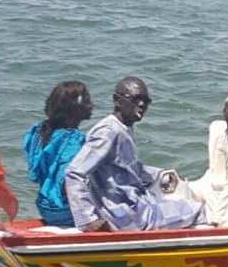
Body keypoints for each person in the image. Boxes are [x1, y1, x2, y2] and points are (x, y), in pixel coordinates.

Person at [65, 77, 206, 231]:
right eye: (135, 99)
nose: (142, 104)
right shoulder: (108, 132)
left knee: (174, 200)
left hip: (132, 206)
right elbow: (74, 173)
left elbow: (130, 169)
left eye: (146, 101)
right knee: (199, 210)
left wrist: (160, 174)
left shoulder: (123, 128)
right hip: (126, 216)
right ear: (117, 101)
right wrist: (88, 219)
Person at [178, 90, 228, 227]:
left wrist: (216, 217)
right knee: (180, 193)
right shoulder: (215, 127)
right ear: (224, 112)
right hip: (210, 183)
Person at [24, 81, 94, 226]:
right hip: (67, 211)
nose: (91, 104)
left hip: (44, 207)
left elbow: (35, 174)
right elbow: (66, 179)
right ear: (77, 107)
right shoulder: (73, 139)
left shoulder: (39, 131)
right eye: (87, 100)